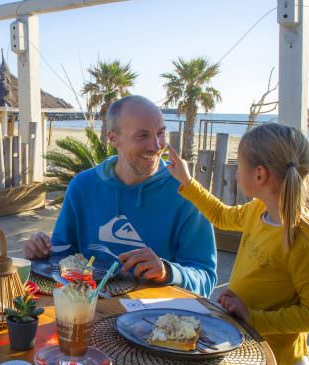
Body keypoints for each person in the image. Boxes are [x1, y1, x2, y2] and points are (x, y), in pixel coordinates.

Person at [165, 123, 309, 365]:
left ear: (259, 175)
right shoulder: (259, 211)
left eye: (237, 163)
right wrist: (187, 181)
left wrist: (252, 317)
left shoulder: (307, 241)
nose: (234, 171)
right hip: (246, 351)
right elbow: (222, 215)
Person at [24, 95, 217, 297]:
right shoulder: (82, 186)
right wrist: (40, 252)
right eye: (143, 136)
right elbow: (60, 256)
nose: (156, 145)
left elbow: (206, 277)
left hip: (152, 318)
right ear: (113, 138)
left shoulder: (187, 192)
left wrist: (168, 271)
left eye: (160, 133)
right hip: (86, 304)